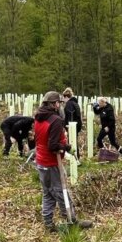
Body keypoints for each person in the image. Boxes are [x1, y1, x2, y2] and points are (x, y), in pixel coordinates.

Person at [33, 90, 91, 232]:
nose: (60, 105)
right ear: (53, 104)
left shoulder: (39, 117)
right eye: (58, 102)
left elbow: (39, 139)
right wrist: (65, 146)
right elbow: (52, 146)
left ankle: (48, 223)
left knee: (47, 192)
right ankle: (71, 219)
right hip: (51, 162)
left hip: (41, 160)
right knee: (61, 191)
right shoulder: (56, 120)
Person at [61, 88, 83, 153]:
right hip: (76, 126)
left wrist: (68, 126)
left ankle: (74, 159)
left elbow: (71, 116)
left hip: (72, 127)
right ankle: (76, 158)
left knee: (72, 142)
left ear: (66, 97)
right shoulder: (75, 103)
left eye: (63, 98)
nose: (63, 100)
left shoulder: (69, 104)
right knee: (74, 141)